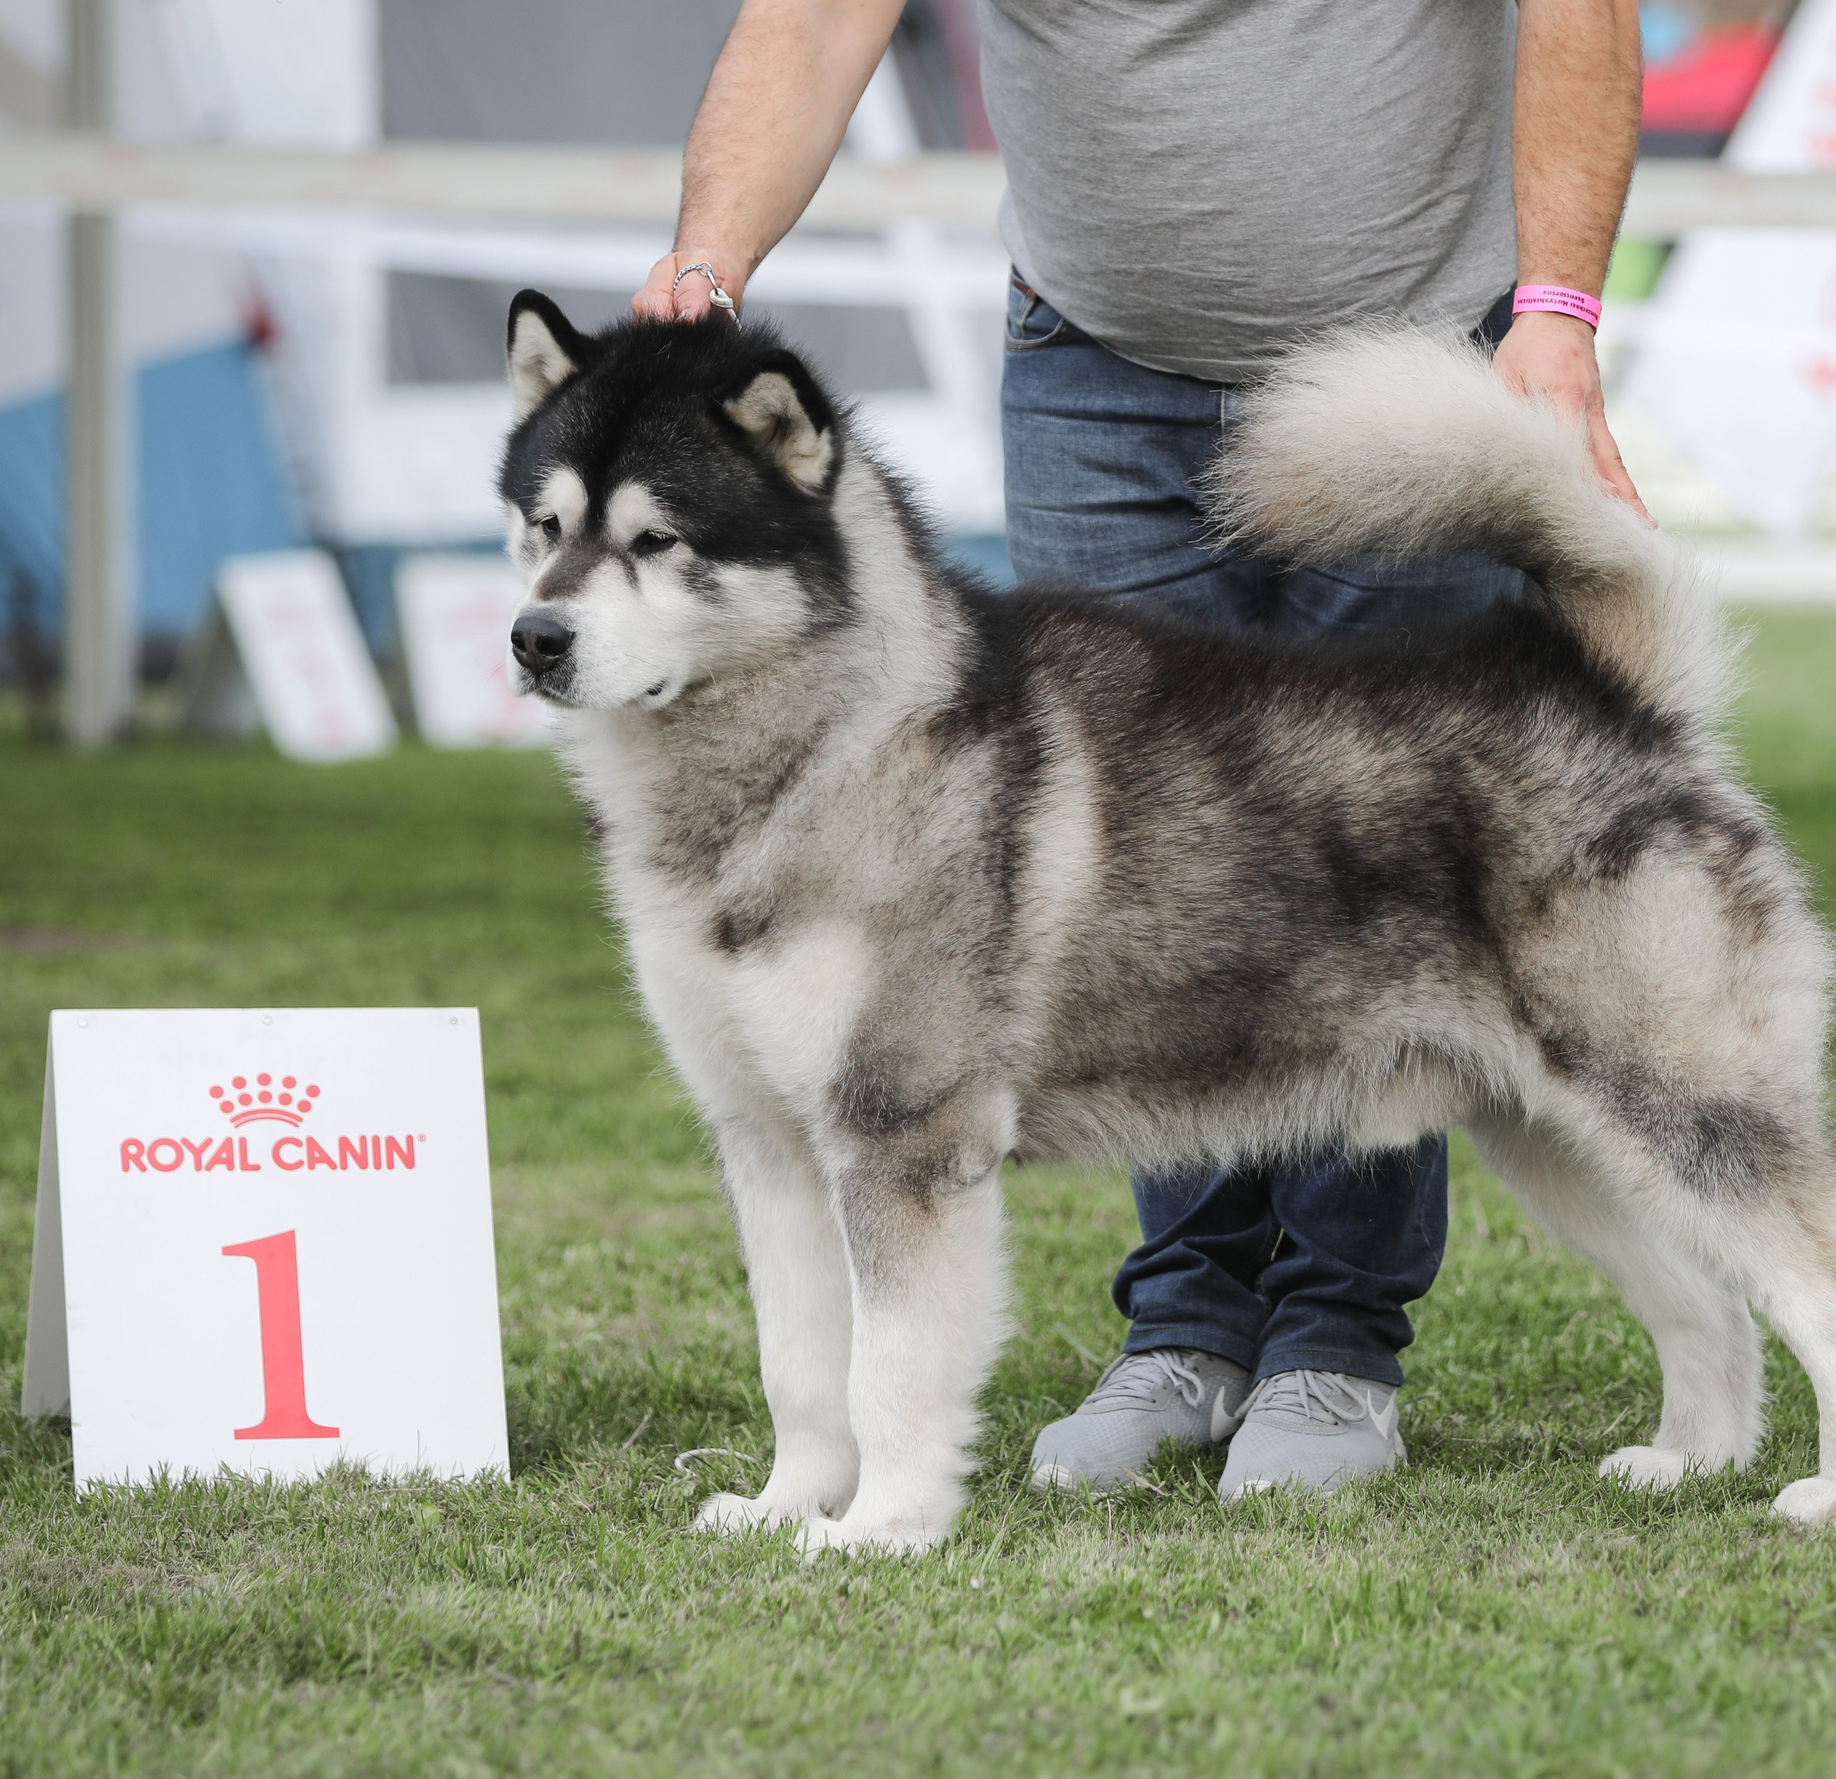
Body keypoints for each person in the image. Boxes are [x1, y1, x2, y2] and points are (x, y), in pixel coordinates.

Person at [633, 0, 1646, 1500]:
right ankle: (1186, 1326)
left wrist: (1558, 315)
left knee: (1380, 878)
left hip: (1414, 358)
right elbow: (817, 19)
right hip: (1094, 365)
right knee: (1129, 887)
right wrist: (704, 272)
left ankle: (1336, 1344)